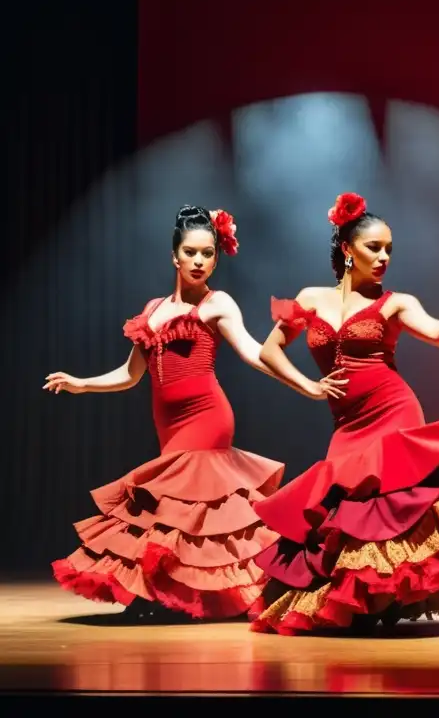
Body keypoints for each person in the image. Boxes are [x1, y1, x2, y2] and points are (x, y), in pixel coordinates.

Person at [247, 193, 439, 635]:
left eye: (390, 248)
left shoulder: (396, 302)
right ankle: (362, 600)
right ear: (348, 250)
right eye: (375, 247)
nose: (385, 256)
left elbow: (438, 334)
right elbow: (269, 350)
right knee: (346, 511)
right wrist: (310, 386)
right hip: (347, 423)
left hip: (394, 410)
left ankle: (387, 599)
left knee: (392, 506)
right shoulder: (310, 299)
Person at [46, 206, 287, 621]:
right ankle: (168, 593)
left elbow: (253, 353)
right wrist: (82, 383)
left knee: (183, 506)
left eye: (208, 254)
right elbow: (129, 374)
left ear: (216, 258)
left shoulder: (218, 304)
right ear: (175, 256)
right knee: (174, 510)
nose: (199, 261)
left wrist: (299, 380)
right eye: (191, 253)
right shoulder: (154, 308)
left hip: (208, 417)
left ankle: (165, 596)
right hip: (169, 425)